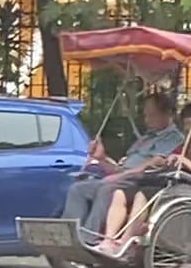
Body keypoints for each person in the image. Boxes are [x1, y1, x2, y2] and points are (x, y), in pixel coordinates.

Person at [62, 91, 183, 241]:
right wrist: (101, 158)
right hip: (124, 177)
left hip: (143, 181)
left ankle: (89, 238)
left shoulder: (173, 138)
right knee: (78, 189)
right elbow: (120, 169)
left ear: (167, 114)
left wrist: (119, 176)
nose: (147, 120)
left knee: (107, 189)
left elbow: (152, 164)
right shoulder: (146, 138)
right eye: (145, 115)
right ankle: (68, 235)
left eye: (152, 115)